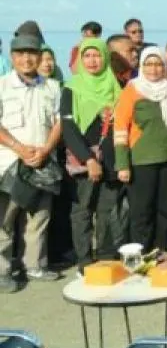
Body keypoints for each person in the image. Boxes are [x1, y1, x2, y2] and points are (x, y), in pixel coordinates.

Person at [0, 32, 64, 290]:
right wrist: (19, 148)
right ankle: (2, 270)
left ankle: (34, 265)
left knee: (39, 218)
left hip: (43, 163)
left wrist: (46, 149)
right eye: (20, 53)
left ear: (39, 56)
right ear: (12, 57)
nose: (26, 59)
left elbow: (59, 122)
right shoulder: (2, 85)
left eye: (32, 53)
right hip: (9, 163)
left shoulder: (52, 87)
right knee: (4, 220)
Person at [60, 37, 123, 275]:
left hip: (111, 157)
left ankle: (106, 256)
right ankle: (84, 260)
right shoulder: (72, 87)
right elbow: (68, 128)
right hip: (84, 158)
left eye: (96, 55)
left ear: (105, 57)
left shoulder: (114, 86)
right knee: (83, 211)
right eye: (87, 55)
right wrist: (88, 159)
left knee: (107, 210)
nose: (92, 60)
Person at [114, 46, 167, 252]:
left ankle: (160, 252)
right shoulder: (132, 90)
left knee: (166, 210)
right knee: (142, 212)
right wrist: (122, 164)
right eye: (148, 64)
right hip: (142, 161)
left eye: (158, 64)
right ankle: (141, 255)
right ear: (142, 66)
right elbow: (120, 129)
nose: (154, 69)